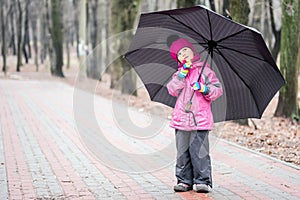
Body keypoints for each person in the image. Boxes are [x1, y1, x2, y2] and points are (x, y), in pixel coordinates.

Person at [166, 35, 223, 193]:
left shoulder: (205, 71)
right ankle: (184, 180)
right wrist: (182, 75)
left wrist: (205, 89)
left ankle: (202, 180)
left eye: (185, 50)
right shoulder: (179, 74)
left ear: (193, 52)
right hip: (181, 119)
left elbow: (217, 89)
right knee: (182, 152)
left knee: (199, 152)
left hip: (200, 119)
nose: (183, 55)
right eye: (179, 54)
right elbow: (172, 89)